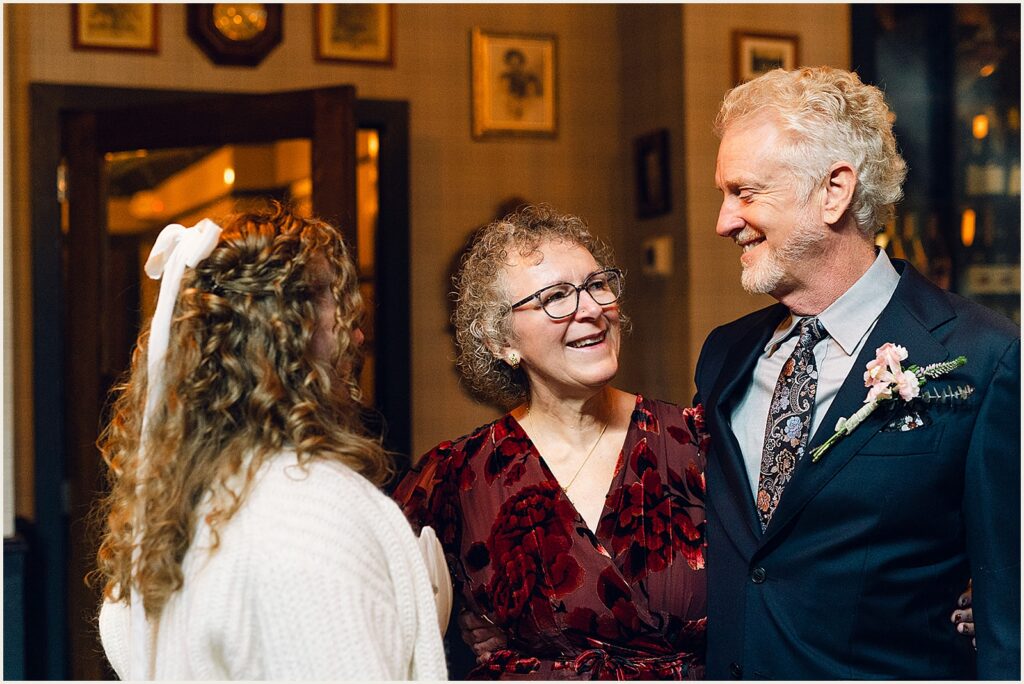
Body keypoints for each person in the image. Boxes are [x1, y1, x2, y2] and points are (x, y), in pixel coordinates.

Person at [698, 66, 1020, 678]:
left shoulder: (985, 357)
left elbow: (1011, 621)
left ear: (834, 191)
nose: (724, 220)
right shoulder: (724, 357)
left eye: (745, 192)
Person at [93, 205, 447, 680]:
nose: (357, 333)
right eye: (330, 303)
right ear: (279, 331)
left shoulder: (180, 501)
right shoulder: (309, 513)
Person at [394, 205, 708, 679]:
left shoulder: (695, 441)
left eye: (597, 285)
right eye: (556, 296)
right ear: (503, 342)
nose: (591, 309)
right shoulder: (459, 476)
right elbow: (372, 602)